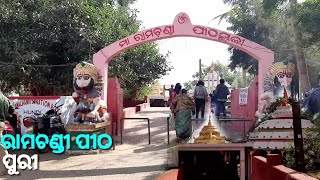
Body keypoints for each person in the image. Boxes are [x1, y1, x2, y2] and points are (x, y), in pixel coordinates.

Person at [0, 91, 9, 175]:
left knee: (1, 146)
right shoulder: (5, 98)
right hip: (2, 122)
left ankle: (7, 168)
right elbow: (11, 110)